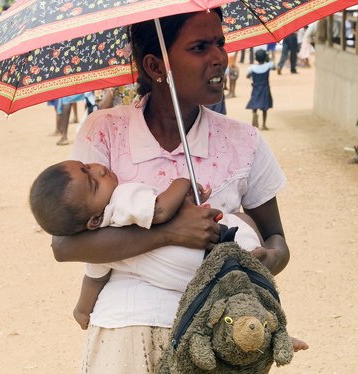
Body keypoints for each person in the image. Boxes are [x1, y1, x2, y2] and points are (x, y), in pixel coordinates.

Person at [51, 9, 307, 373]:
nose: (220, 57)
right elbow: (66, 245)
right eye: (200, 47)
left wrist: (264, 262)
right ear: (156, 67)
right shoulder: (104, 131)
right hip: (126, 332)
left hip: (219, 336)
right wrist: (171, 232)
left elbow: (277, 239)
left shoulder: (243, 142)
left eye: (220, 42)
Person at [30, 160, 266, 330]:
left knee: (235, 304)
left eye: (87, 166)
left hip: (195, 281)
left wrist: (82, 310)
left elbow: (94, 279)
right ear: (92, 221)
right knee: (244, 222)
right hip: (213, 247)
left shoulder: (101, 249)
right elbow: (161, 209)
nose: (99, 169)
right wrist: (182, 183)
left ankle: (269, 322)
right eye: (93, 182)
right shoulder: (123, 197)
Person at [246, 49, 274, 130]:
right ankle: (264, 125)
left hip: (256, 88)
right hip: (265, 88)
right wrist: (268, 59)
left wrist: (252, 77)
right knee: (265, 106)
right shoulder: (268, 65)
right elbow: (274, 67)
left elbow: (247, 76)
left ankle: (255, 116)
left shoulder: (252, 67)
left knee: (255, 103)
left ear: (256, 58)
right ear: (265, 57)